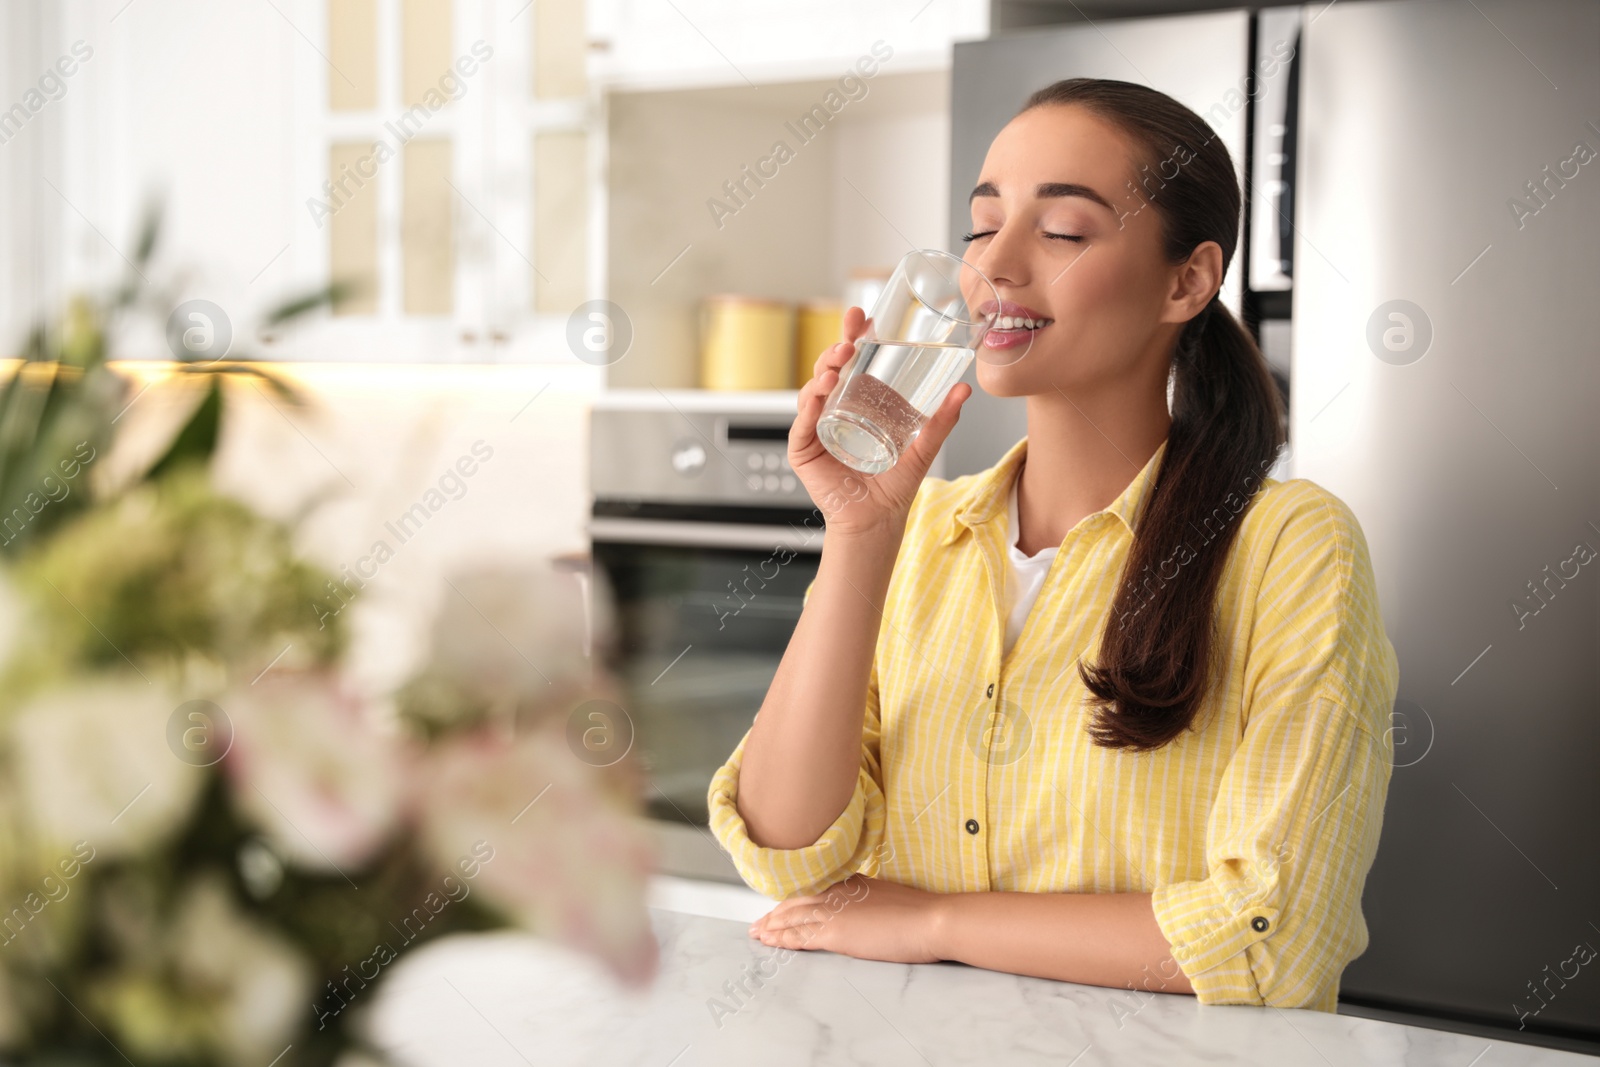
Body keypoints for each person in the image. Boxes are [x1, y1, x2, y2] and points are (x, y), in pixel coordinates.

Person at [707, 77, 1399, 1011]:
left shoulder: (1288, 546)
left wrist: (934, 922)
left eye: (1063, 231)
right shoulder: (922, 536)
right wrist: (860, 534)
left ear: (1186, 280)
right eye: (982, 226)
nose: (995, 265)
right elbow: (788, 850)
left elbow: (1270, 935)